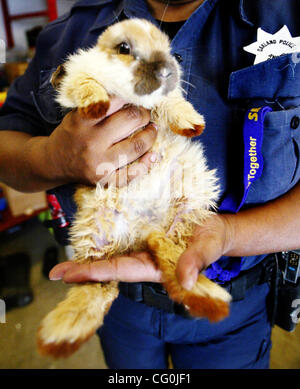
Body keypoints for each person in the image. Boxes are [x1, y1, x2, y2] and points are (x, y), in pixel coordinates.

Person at [1, 0, 300, 369]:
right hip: (123, 308)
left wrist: (226, 234)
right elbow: (7, 141)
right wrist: (54, 158)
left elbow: (173, 106)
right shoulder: (69, 32)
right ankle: (90, 304)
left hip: (236, 304)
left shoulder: (285, 14)